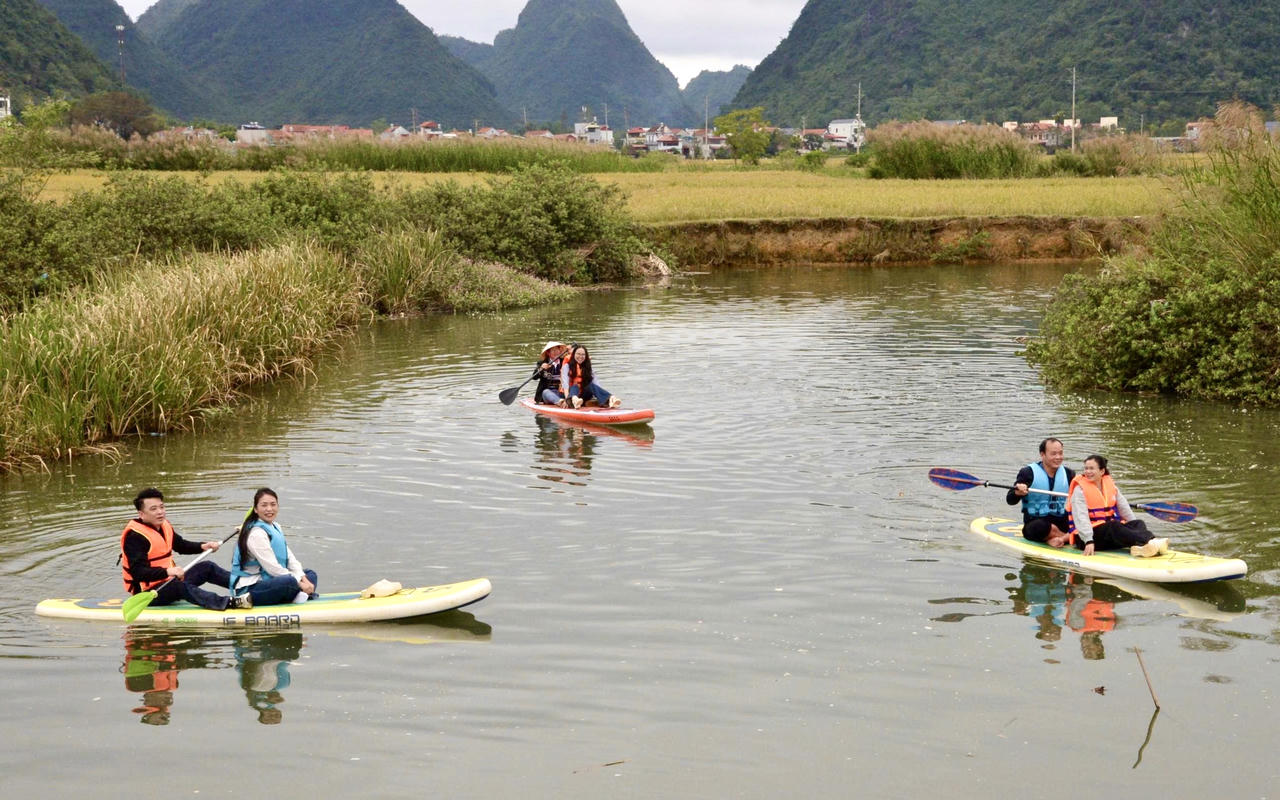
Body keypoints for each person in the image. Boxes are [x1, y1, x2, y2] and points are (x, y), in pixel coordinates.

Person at [119, 487, 250, 611]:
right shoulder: (134, 537)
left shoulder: (163, 526)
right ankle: (229, 603)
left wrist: (203, 546)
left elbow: (180, 545)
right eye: (153, 509)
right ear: (141, 514)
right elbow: (138, 572)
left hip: (169, 581)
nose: (160, 512)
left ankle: (248, 588)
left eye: (162, 507)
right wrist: (168, 571)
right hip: (149, 593)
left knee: (207, 567)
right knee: (178, 586)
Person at [1067, 455, 1168, 557]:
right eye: (1086, 468)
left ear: (1102, 471)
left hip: (1107, 534)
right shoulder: (1079, 490)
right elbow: (1081, 517)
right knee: (1114, 526)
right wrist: (1088, 541)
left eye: (1091, 468)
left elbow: (1124, 508)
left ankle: (1142, 547)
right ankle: (1151, 541)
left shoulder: (1111, 486)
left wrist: (1134, 528)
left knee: (1138, 523)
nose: (1088, 472)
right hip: (1086, 539)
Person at [230, 488, 319, 605]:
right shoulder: (256, 533)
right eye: (264, 505)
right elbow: (273, 568)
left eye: (273, 504)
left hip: (271, 579)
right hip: (251, 588)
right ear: (256, 509)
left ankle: (295, 594)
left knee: (310, 574)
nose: (269, 509)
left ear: (278, 506)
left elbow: (290, 557)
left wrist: (304, 579)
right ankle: (296, 594)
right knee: (289, 582)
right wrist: (299, 583)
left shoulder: (276, 526)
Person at [1005, 438, 1075, 546]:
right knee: (1041, 527)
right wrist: (1017, 492)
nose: (1058, 457)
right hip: (1036, 523)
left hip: (1060, 520)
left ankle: (1057, 538)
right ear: (1042, 454)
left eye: (1060, 453)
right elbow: (1010, 500)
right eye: (1053, 454)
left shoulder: (1069, 474)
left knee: (1083, 519)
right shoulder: (1028, 473)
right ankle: (1068, 538)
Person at [559, 343, 622, 409]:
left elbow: (596, 384)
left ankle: (610, 399)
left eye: (583, 354)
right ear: (573, 354)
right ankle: (573, 400)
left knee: (590, 385)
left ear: (586, 356)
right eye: (578, 354)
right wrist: (566, 399)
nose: (580, 356)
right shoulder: (566, 366)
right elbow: (565, 384)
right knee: (575, 386)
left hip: (583, 395)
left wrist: (599, 395)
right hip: (569, 393)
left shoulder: (588, 367)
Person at [534, 341, 570, 405]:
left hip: (563, 391)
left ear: (560, 351)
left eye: (557, 350)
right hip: (548, 393)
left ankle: (568, 401)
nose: (555, 352)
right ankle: (560, 402)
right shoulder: (542, 363)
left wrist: (572, 350)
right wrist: (541, 369)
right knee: (546, 392)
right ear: (548, 353)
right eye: (553, 350)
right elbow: (534, 377)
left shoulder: (565, 361)